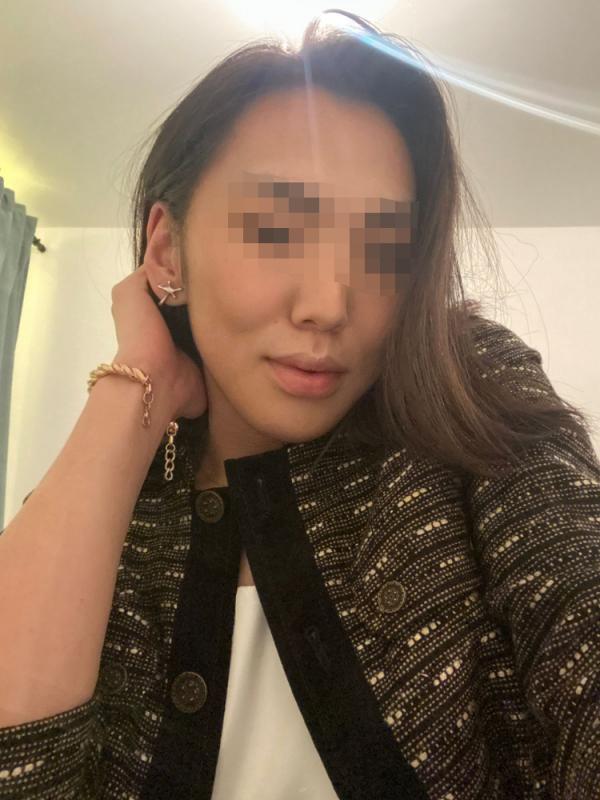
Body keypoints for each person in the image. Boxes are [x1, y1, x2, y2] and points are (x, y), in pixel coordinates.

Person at [1, 11, 599, 800]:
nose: (329, 304)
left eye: (381, 247)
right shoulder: (110, 508)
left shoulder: (467, 387)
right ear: (167, 249)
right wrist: (137, 382)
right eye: (277, 228)